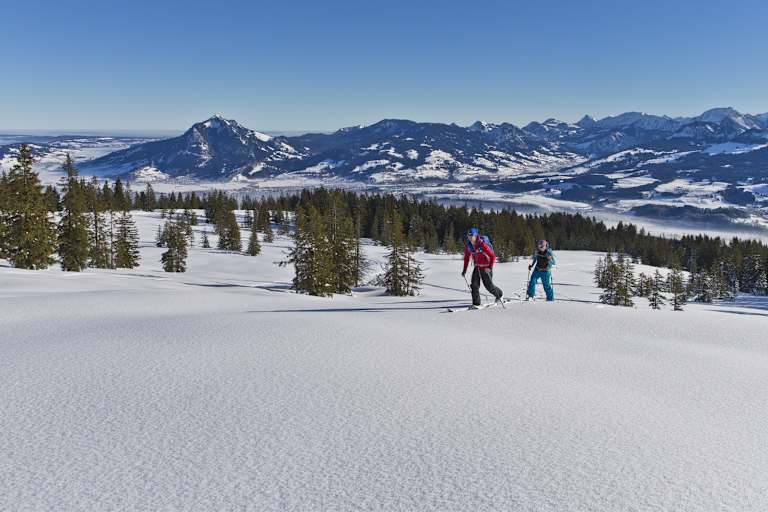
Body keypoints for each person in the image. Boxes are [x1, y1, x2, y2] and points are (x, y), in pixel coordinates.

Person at [462, 228, 503, 307]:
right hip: (477, 267)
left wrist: (490, 267)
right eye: (468, 236)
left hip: (486, 267)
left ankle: (500, 295)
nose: (470, 237)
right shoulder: (469, 245)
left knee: (489, 286)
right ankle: (476, 304)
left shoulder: (482, 244)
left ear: (476, 235)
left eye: (471, 235)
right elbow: (466, 258)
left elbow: (492, 256)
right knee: (474, 285)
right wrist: (464, 270)